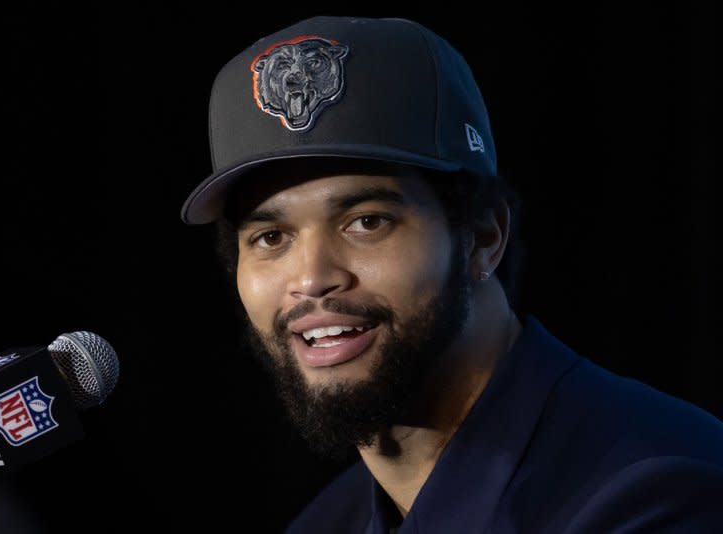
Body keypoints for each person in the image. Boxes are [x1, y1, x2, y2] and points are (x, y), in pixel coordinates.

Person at [180, 15, 723, 533]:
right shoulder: (325, 523)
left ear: (483, 237)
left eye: (367, 222)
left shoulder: (658, 491)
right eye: (271, 238)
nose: (312, 278)